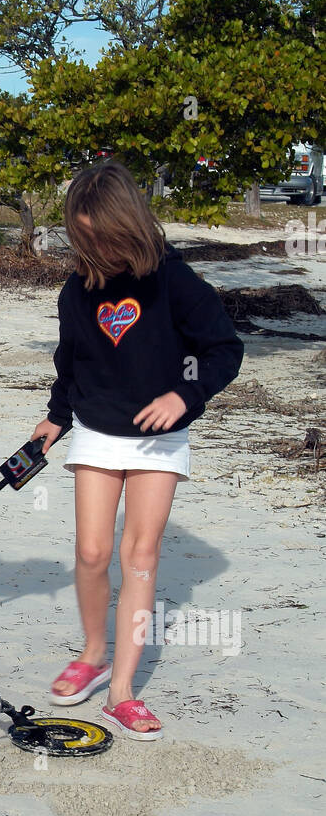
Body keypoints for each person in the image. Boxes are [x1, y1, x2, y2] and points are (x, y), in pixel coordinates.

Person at [31, 161, 243, 738]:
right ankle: (93, 651)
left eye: (104, 237)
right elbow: (69, 360)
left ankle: (121, 690)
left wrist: (185, 394)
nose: (97, 249)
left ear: (130, 224)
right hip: (97, 430)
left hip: (160, 439)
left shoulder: (176, 282)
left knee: (140, 558)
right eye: (85, 238)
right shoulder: (79, 287)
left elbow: (224, 349)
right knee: (93, 552)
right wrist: (54, 419)